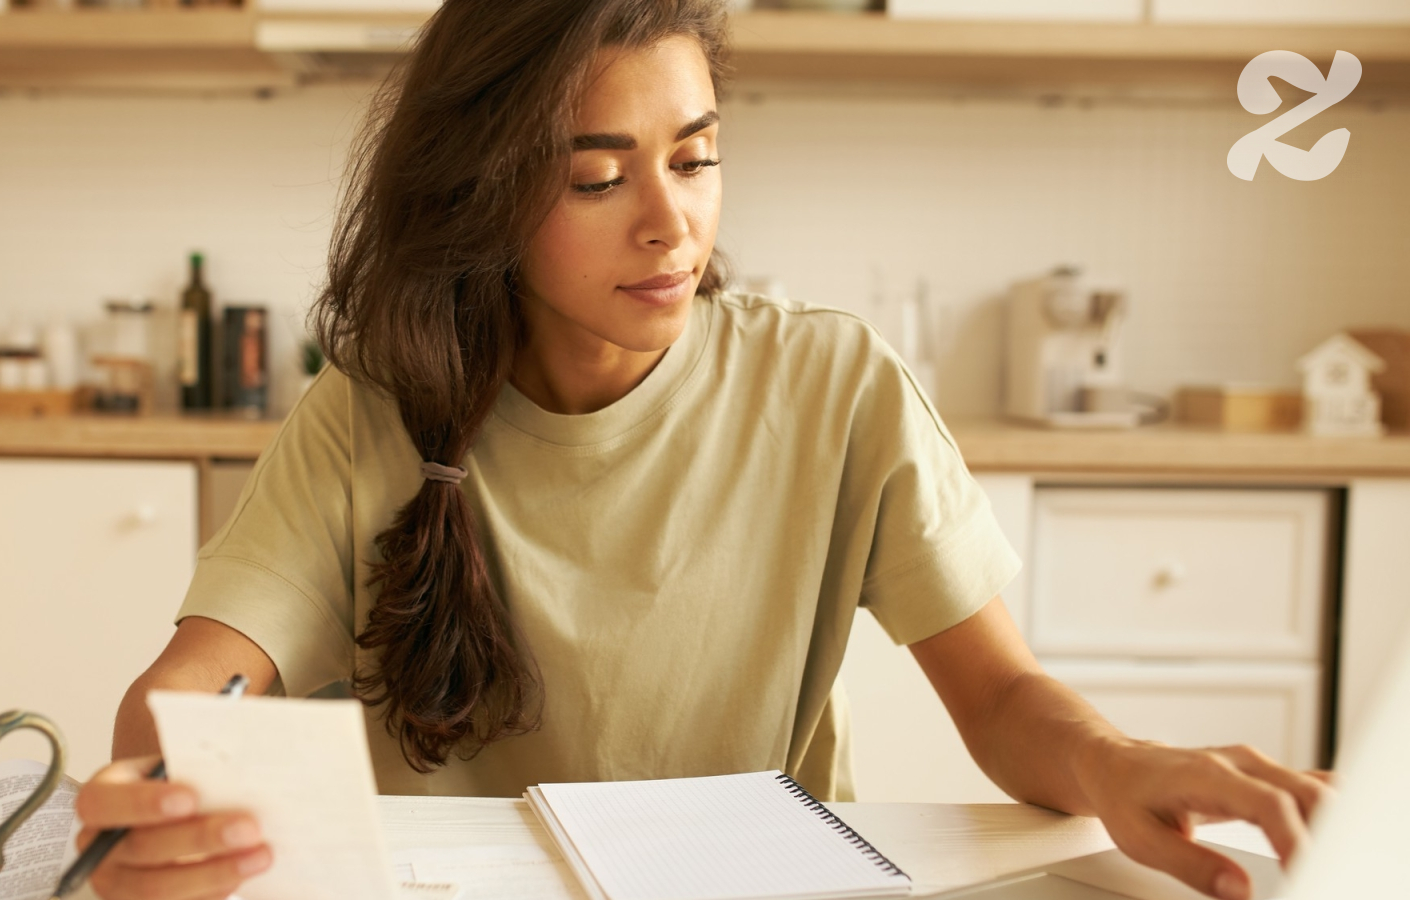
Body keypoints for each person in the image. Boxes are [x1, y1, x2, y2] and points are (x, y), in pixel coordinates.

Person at [72, 2, 1334, 899]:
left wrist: (1116, 763)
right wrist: (165, 772)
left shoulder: (834, 383)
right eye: (595, 178)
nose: (670, 224)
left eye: (696, 157)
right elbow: (202, 680)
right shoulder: (369, 410)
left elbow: (999, 696)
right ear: (481, 192)